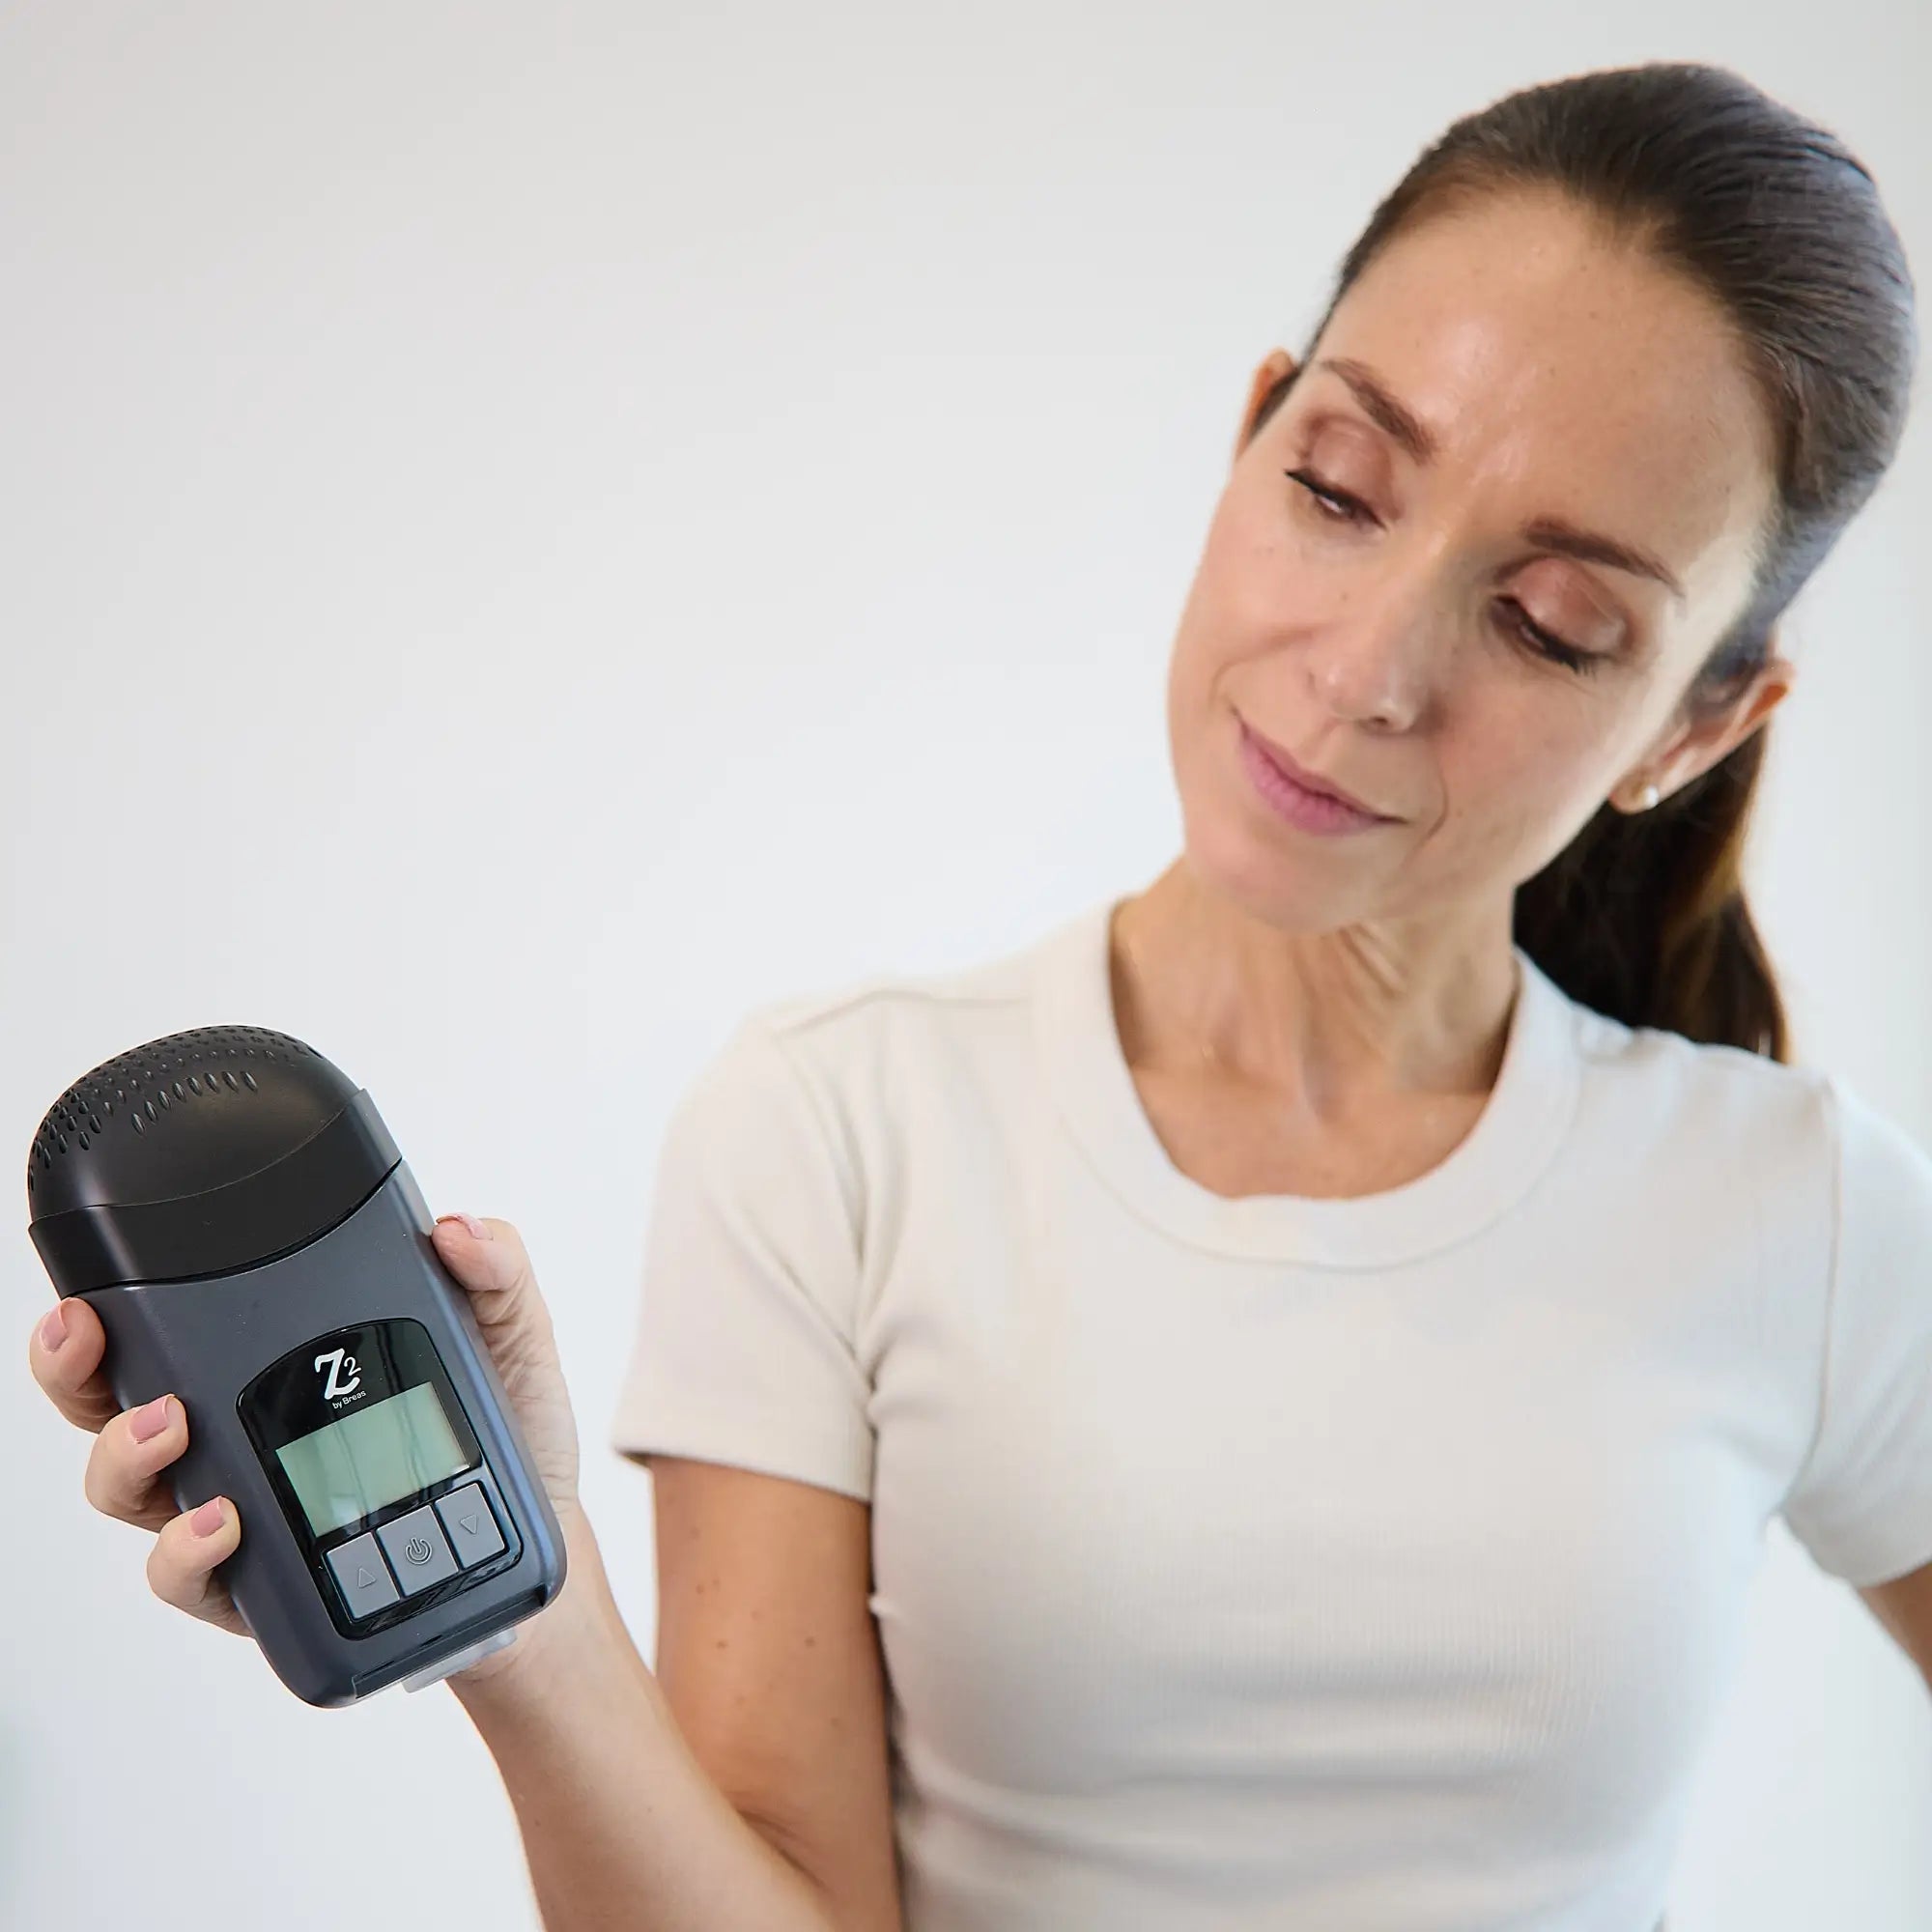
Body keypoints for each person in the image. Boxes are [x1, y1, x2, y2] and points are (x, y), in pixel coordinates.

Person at [29, 57, 1928, 1932]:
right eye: (1341, 487)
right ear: (1254, 431)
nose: (1366, 670)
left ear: (1696, 722)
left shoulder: (1800, 1210)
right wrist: (525, 1615)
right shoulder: (838, 1135)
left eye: (1548, 623)